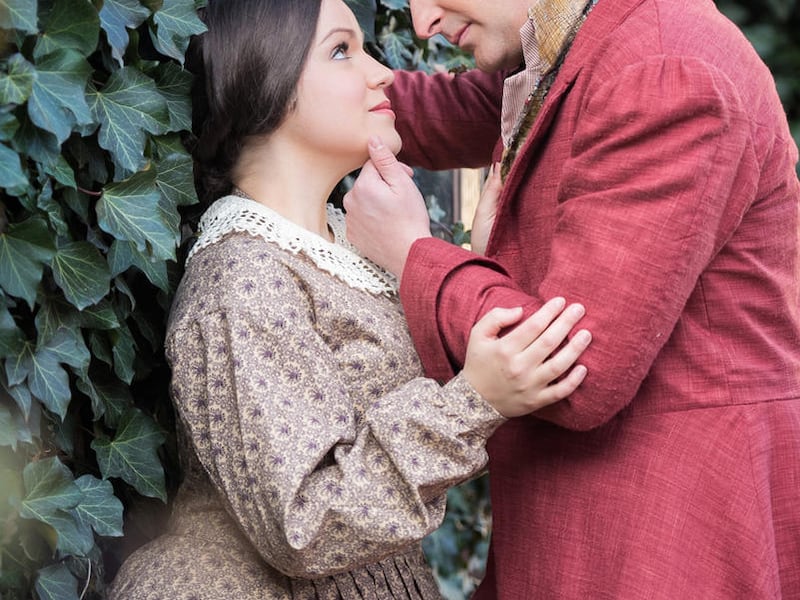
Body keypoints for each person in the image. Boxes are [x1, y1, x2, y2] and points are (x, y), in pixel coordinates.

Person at [107, 0, 593, 598]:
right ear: (265, 81)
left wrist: (482, 260)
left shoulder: (344, 247)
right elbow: (302, 524)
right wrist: (472, 403)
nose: (383, 73)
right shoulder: (241, 276)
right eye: (341, 51)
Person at [343, 0, 800, 598]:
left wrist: (411, 253)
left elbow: (575, 366)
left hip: (663, 537)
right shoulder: (578, 42)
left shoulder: (666, 68)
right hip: (586, 522)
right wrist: (292, 76)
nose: (423, 22)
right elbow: (448, 112)